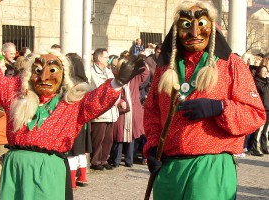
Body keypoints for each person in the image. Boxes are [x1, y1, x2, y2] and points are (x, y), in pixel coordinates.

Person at [0, 33, 145, 200]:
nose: (44, 76)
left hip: (47, 170)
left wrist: (118, 82)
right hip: (15, 169)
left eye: (52, 70)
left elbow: (96, 100)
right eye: (38, 70)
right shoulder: (17, 95)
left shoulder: (71, 103)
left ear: (63, 76)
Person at [143, 1, 266, 200]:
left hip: (210, 166)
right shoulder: (165, 68)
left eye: (201, 24)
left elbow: (255, 114)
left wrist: (219, 108)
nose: (194, 32)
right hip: (169, 167)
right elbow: (152, 112)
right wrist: (152, 147)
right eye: (185, 25)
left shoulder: (231, 64)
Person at [89, 48, 119, 171]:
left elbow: (115, 87)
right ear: (99, 58)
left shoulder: (109, 71)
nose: (108, 60)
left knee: (108, 138)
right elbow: (97, 89)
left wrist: (115, 100)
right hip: (100, 111)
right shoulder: (91, 72)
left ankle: (104, 159)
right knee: (98, 138)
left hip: (111, 110)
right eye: (106, 57)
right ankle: (96, 160)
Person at [65, 53, 92, 189]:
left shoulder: (70, 83)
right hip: (83, 121)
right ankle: (82, 176)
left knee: (73, 152)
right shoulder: (85, 83)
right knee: (80, 151)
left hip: (72, 120)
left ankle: (72, 181)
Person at [248, 66, 269, 156]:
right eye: (263, 71)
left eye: (266, 71)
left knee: (266, 130)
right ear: (259, 73)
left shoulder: (267, 82)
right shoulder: (257, 81)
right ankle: (255, 148)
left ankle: (265, 147)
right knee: (259, 130)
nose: (265, 73)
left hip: (268, 107)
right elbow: (263, 91)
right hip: (261, 108)